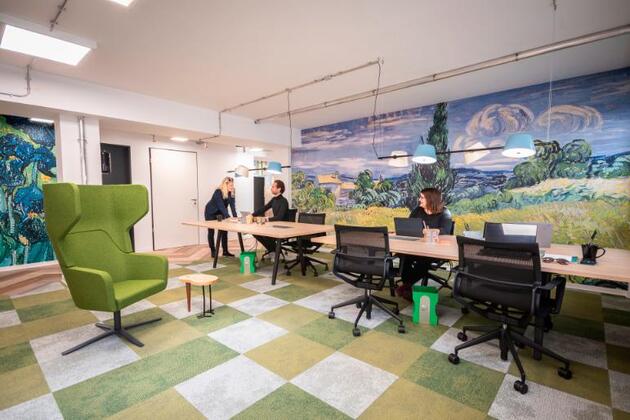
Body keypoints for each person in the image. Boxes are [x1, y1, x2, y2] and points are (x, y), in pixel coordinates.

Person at [397, 187, 453, 301]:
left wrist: (430, 231)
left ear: (430, 199)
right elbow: (409, 224)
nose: (419, 199)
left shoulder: (444, 213)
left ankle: (407, 285)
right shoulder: (418, 210)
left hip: (435, 250)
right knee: (404, 255)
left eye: (422, 197)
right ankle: (407, 285)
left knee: (424, 259)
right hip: (416, 246)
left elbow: (446, 231)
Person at [252, 179, 289, 252]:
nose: (271, 188)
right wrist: (251, 215)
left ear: (279, 189)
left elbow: (279, 217)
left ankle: (275, 251)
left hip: (283, 227)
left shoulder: (284, 201)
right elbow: (264, 208)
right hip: (275, 225)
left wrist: (266, 219)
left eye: (273, 187)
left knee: (265, 233)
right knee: (255, 233)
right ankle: (272, 250)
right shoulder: (274, 199)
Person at [205, 177, 237, 258]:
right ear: (225, 185)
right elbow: (221, 206)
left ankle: (225, 251)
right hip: (211, 212)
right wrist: (228, 217)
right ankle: (213, 251)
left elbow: (232, 206)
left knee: (224, 231)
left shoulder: (231, 192)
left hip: (220, 212)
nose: (232, 187)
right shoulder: (218, 192)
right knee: (211, 231)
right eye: (230, 185)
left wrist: (235, 218)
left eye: (233, 185)